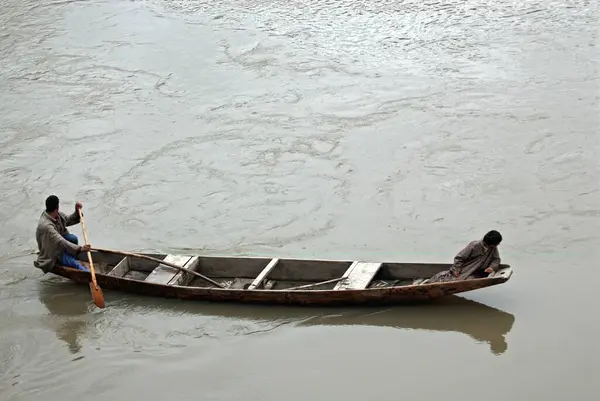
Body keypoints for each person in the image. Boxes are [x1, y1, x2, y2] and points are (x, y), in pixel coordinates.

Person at [34, 195, 91, 273]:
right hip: (52, 251)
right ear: (57, 207)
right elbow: (60, 241)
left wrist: (77, 212)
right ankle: (80, 268)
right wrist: (80, 248)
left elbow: (69, 219)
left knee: (73, 238)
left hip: (58, 243)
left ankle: (69, 256)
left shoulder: (57, 215)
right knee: (75, 264)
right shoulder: (46, 226)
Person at [427, 230, 503, 283]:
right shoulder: (474, 245)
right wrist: (456, 269)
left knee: (474, 278)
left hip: (479, 271)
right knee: (451, 280)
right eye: (496, 243)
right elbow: (459, 258)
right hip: (467, 269)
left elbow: (496, 260)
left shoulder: (493, 248)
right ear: (490, 243)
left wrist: (491, 267)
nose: (497, 245)